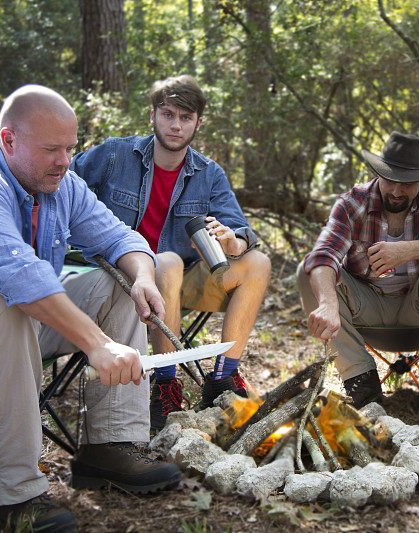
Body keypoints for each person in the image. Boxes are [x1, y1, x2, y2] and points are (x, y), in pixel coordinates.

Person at [0, 86, 181, 531]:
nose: (65, 161)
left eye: (71, 149)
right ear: (8, 140)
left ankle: (112, 446)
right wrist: (97, 344)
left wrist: (144, 277)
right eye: (52, 149)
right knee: (4, 301)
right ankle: (16, 500)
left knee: (117, 285)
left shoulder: (61, 184)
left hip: (15, 326)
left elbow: (120, 238)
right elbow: (19, 277)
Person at [71, 75, 270, 428]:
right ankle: (165, 384)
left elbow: (242, 234)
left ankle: (224, 378)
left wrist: (230, 241)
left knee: (258, 262)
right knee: (167, 260)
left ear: (198, 123)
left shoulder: (209, 174)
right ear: (153, 116)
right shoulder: (117, 154)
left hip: (178, 287)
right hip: (119, 277)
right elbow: (61, 181)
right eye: (168, 114)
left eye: (185, 117)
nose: (175, 125)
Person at [297, 131, 419, 416]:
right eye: (390, 180)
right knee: (309, 271)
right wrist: (327, 302)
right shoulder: (353, 202)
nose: (397, 191)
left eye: (408, 183)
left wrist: (412, 250)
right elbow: (324, 255)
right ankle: (360, 380)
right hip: (368, 311)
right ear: (377, 173)